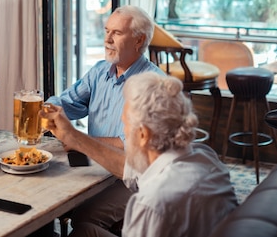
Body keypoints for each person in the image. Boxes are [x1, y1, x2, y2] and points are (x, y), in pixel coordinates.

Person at [42, 71, 238, 237]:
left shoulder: (151, 203)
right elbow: (128, 167)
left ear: (143, 134)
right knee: (84, 231)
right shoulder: (205, 156)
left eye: (126, 125)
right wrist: (74, 136)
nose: (124, 132)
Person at [45, 5, 164, 231]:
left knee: (85, 216)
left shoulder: (153, 85)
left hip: (134, 179)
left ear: (139, 41)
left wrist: (77, 140)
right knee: (46, 197)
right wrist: (44, 108)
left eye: (116, 33)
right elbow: (66, 103)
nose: (107, 39)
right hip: (96, 165)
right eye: (106, 31)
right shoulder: (100, 71)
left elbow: (132, 148)